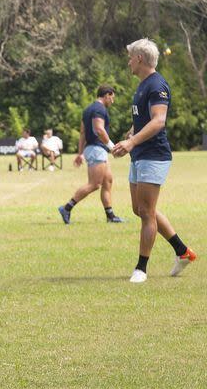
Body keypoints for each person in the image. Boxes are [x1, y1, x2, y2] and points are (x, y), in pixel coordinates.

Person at [111, 38, 197, 283]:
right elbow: (145, 118)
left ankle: (141, 268)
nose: (128, 61)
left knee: (147, 211)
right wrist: (130, 135)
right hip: (140, 154)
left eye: (130, 57)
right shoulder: (143, 85)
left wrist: (132, 142)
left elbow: (159, 120)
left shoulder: (157, 84)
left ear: (139, 58)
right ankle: (183, 251)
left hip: (153, 155)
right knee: (140, 209)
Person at [58, 85, 124, 224]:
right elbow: (99, 129)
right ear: (106, 95)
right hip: (96, 149)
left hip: (94, 149)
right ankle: (66, 208)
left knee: (108, 181)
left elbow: (82, 133)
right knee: (94, 184)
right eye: (112, 97)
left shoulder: (88, 109)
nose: (113, 101)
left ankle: (110, 216)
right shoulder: (99, 108)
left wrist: (80, 153)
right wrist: (112, 147)